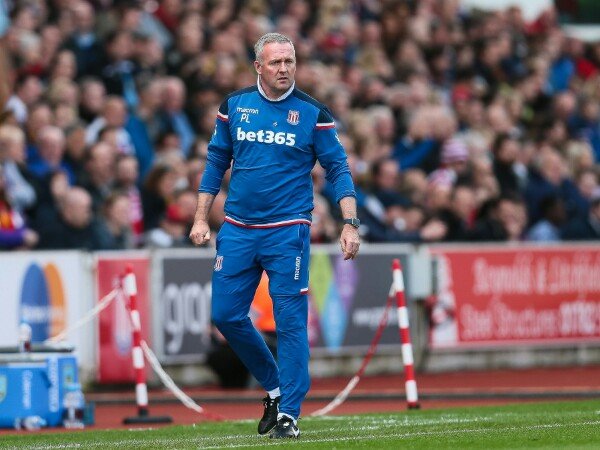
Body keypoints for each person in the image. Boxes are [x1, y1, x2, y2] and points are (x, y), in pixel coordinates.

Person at [189, 33, 360, 439]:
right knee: (225, 316)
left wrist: (350, 222)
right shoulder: (235, 106)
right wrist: (200, 218)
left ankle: (290, 414)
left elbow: (338, 168)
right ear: (258, 67)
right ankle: (277, 388)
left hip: (288, 231)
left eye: (289, 61)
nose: (284, 68)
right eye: (276, 62)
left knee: (289, 322)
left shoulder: (313, 112)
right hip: (238, 229)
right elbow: (216, 161)